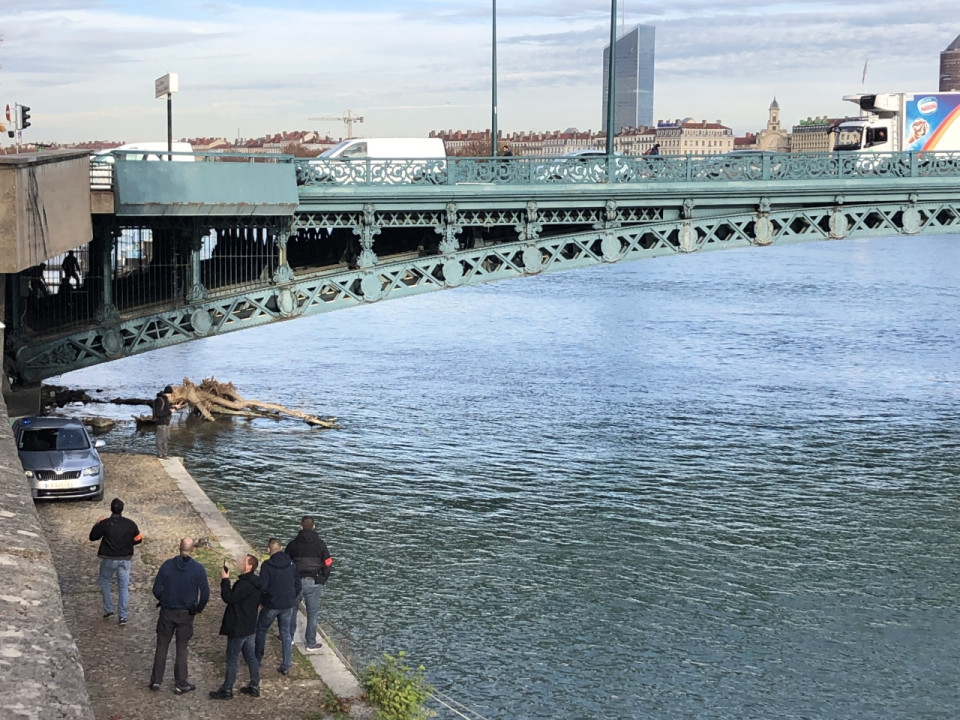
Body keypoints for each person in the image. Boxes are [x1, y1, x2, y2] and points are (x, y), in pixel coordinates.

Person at [149, 537, 210, 695]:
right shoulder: (198, 569)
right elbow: (205, 594)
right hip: (186, 614)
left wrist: (164, 600)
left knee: (162, 646)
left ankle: (156, 680)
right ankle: (180, 682)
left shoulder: (167, 566)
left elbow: (156, 589)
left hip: (167, 611)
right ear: (192, 550)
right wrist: (198, 609)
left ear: (179, 547)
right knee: (182, 649)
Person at [209, 554, 262, 700]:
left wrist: (225, 580)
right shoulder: (257, 582)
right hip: (249, 625)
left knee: (232, 658)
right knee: (250, 656)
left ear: (249, 566)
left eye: (242, 561)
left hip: (238, 626)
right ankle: (254, 685)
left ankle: (227, 689)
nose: (238, 562)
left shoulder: (244, 584)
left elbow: (229, 598)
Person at [88, 498, 142, 625]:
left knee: (104, 581)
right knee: (123, 587)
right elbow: (138, 539)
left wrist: (97, 523)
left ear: (111, 509)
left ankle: (108, 609)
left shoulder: (105, 523)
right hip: (125, 560)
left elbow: (92, 537)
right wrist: (129, 543)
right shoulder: (130, 524)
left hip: (108, 559)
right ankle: (122, 616)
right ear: (122, 509)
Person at [285, 516, 332, 653]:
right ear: (314, 527)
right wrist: (322, 579)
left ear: (301, 526)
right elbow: (328, 563)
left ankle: (289, 637)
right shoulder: (320, 544)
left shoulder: (293, 544)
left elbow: (286, 562)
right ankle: (311, 643)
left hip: (296, 582)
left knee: (292, 609)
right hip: (314, 581)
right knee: (312, 613)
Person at [254, 538, 301, 676]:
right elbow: (298, 585)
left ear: (268, 550)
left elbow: (263, 587)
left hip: (271, 604)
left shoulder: (267, 566)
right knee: (285, 633)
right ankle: (286, 664)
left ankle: (257, 659)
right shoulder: (291, 564)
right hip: (287, 604)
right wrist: (292, 598)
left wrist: (262, 601)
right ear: (281, 548)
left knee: (261, 629)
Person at [153, 385, 173, 459]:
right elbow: (159, 414)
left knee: (166, 438)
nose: (171, 396)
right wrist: (169, 412)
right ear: (167, 393)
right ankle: (160, 454)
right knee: (160, 439)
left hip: (166, 422)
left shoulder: (166, 400)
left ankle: (165, 453)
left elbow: (166, 410)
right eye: (170, 394)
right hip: (161, 422)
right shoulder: (160, 400)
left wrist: (174, 408)